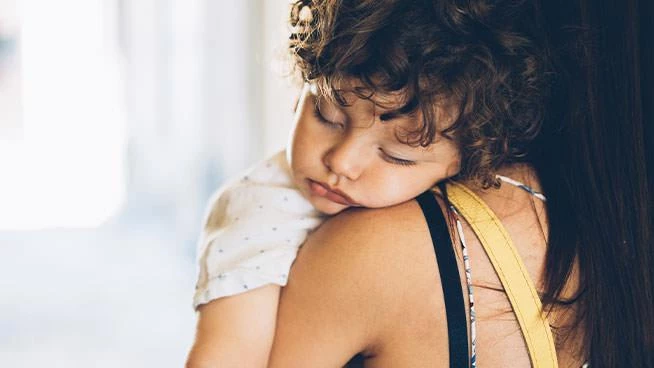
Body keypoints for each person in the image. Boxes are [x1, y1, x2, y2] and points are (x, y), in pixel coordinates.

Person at [187, 0, 654, 367]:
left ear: (466, 162)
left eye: (397, 155)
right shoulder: (259, 213)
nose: (341, 162)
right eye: (326, 114)